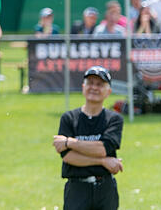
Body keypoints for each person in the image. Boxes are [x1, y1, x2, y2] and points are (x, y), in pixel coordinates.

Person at [52, 66, 123, 210]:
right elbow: (68, 157)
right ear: (83, 87)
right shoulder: (69, 118)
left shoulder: (114, 119)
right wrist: (103, 161)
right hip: (77, 189)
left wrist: (69, 142)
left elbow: (103, 148)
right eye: (90, 83)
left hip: (105, 189)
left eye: (99, 84)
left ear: (108, 92)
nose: (94, 88)